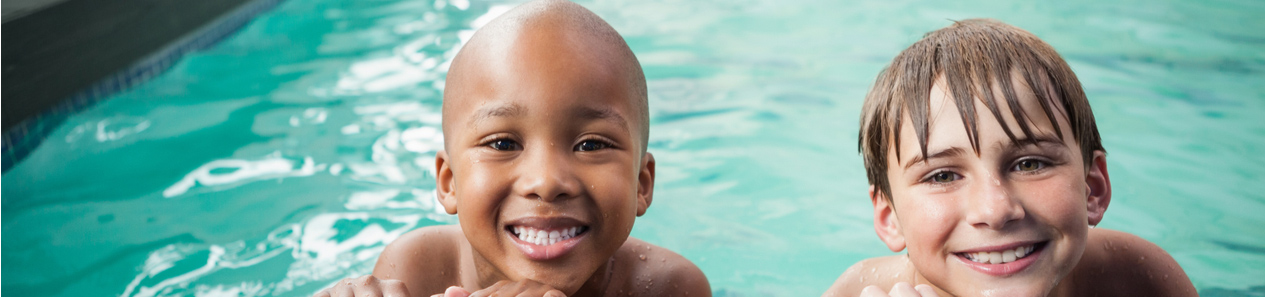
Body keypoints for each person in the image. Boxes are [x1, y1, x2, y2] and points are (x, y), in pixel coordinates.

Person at [314, 1, 710, 296]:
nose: (546, 181)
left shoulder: (668, 286)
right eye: (503, 143)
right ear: (449, 182)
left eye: (590, 144)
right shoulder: (418, 269)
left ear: (642, 183)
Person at [824, 19, 1197, 297]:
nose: (995, 210)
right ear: (890, 218)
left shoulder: (1135, 280)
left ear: (1092, 189)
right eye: (942, 176)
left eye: (1030, 164)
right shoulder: (856, 291)